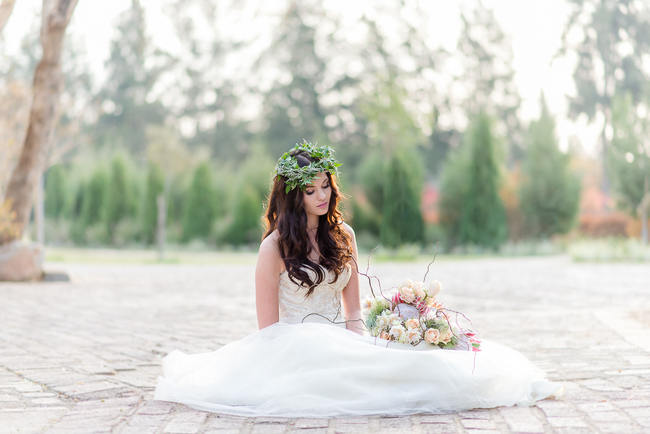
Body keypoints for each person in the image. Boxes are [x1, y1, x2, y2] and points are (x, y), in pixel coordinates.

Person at [154, 140, 563, 417]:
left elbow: (353, 313)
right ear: (292, 196)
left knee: (407, 371)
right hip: (293, 348)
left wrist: (369, 344)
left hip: (342, 336)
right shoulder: (273, 248)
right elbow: (268, 332)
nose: (322, 195)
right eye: (311, 190)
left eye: (326, 186)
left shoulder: (343, 234)